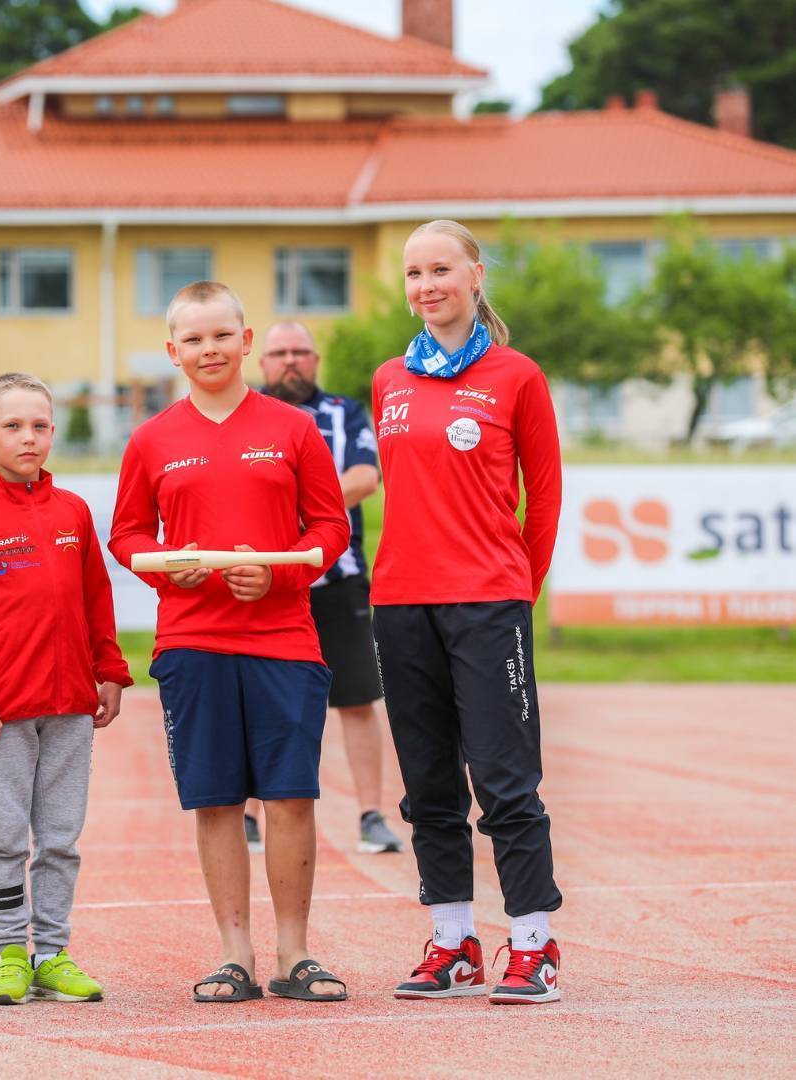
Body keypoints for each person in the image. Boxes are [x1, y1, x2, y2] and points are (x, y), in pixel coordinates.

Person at [110, 280, 351, 1004]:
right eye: (193, 339)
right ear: (172, 351)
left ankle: (295, 954)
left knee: (289, 798)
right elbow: (125, 535)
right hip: (191, 641)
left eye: (221, 335)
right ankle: (234, 954)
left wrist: (275, 580)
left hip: (284, 637)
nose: (208, 349)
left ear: (246, 342)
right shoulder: (152, 439)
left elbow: (329, 528)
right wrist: (167, 571)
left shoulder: (291, 429)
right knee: (216, 801)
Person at [372, 219, 563, 1005]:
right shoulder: (387, 379)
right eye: (414, 273)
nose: (426, 286)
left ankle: (533, 945)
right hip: (399, 602)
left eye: (441, 269)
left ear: (475, 275)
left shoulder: (517, 375)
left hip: (487, 601)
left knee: (504, 781)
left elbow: (543, 496)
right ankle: (451, 940)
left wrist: (518, 588)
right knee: (427, 786)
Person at [0, 373, 133, 1006]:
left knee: (60, 838)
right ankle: (10, 954)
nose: (29, 437)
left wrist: (110, 670)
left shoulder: (74, 512)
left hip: (72, 703)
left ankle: (51, 953)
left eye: (40, 425)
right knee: (3, 836)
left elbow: (97, 597)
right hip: (4, 709)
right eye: (13, 426)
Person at [245, 321, 404, 856]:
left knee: (358, 699)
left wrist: (296, 503)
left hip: (336, 577)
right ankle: (246, 812)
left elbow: (365, 476)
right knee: (255, 698)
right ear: (262, 361)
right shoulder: (242, 411)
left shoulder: (344, 411)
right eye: (278, 353)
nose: (289, 361)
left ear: (315, 359)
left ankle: (371, 815)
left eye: (299, 352)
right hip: (260, 580)